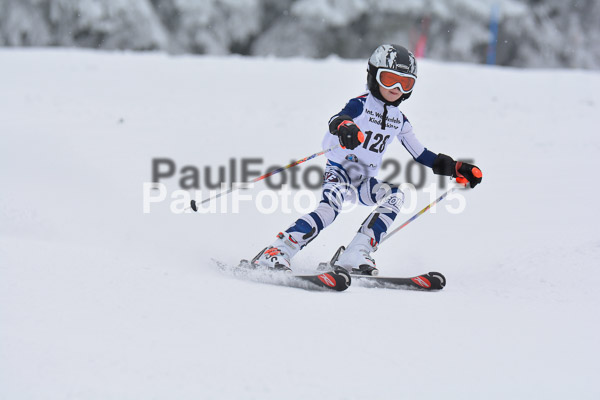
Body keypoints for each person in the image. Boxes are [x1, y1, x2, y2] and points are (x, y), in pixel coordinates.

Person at [253, 44, 482, 275]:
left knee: (394, 195)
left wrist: (455, 168)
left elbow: (421, 154)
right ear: (373, 76)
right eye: (389, 78)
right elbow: (337, 119)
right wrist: (346, 126)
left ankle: (355, 253)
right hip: (340, 171)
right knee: (329, 210)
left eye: (405, 83)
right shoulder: (361, 105)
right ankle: (277, 250)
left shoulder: (399, 120)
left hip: (364, 181)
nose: (396, 88)